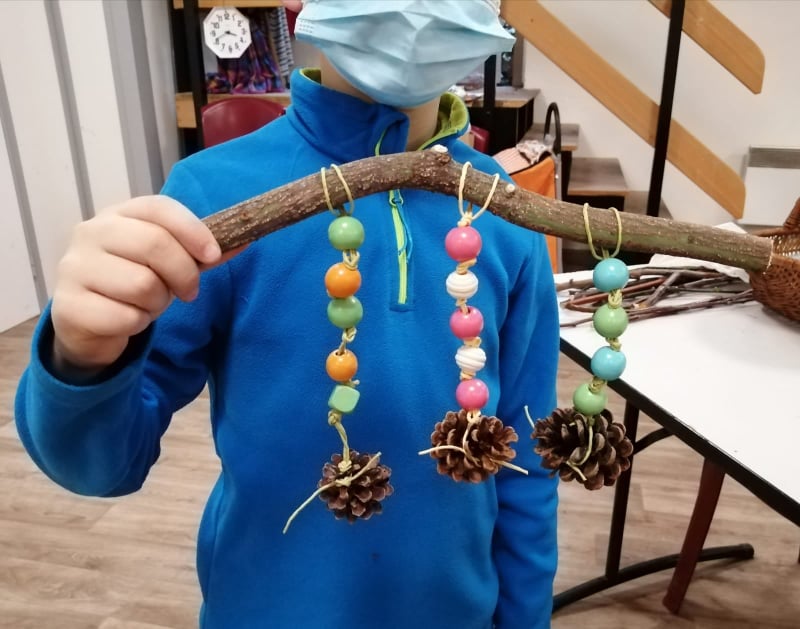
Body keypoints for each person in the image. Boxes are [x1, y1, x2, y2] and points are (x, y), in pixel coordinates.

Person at [15, 1, 560, 627]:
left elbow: (526, 462)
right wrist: (81, 354)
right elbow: (98, 465)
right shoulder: (214, 193)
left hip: (456, 610)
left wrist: (525, 616)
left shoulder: (507, 215)